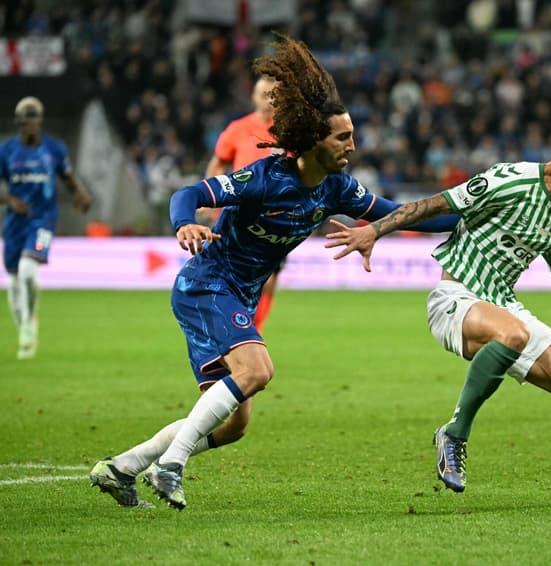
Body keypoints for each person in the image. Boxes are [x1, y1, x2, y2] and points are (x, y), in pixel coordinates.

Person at [89, 35, 457, 510]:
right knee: (258, 370)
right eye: (342, 137)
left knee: (233, 424)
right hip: (206, 285)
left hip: (237, 295)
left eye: (352, 135)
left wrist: (471, 209)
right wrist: (184, 225)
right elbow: (189, 195)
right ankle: (172, 464)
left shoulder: (336, 188)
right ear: (313, 139)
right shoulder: (265, 178)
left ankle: (121, 468)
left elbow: (407, 213)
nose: (352, 145)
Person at [327, 116, 551, 507]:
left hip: (503, 308)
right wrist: (373, 230)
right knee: (512, 334)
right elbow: (435, 204)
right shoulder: (511, 179)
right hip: (454, 299)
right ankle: (454, 433)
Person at [0, 97, 92, 359]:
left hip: (43, 220)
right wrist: (9, 200)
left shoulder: (54, 149)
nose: (31, 124)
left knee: (29, 271)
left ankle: (30, 323)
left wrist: (80, 193)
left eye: (35, 118)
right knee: (15, 279)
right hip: (15, 223)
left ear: (40, 121)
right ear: (19, 122)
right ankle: (24, 327)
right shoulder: (6, 151)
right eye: (26, 119)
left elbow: (67, 176)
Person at [204, 76, 282, 333]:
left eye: (274, 95)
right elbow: (218, 162)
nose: (269, 100)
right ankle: (239, 329)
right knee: (238, 274)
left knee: (269, 278)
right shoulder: (238, 129)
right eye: (264, 94)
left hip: (277, 217)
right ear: (254, 97)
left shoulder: (289, 130)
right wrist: (210, 198)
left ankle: (253, 328)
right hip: (239, 215)